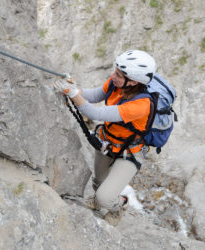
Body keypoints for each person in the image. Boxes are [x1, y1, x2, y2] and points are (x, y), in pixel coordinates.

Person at [53, 50, 157, 226]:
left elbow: (96, 113)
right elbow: (93, 96)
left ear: (132, 82)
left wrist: (73, 94)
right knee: (98, 183)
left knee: (105, 197)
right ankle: (98, 201)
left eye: (118, 73)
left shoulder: (141, 106)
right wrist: (73, 88)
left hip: (130, 152)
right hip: (107, 142)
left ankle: (120, 206)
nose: (113, 75)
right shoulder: (116, 84)